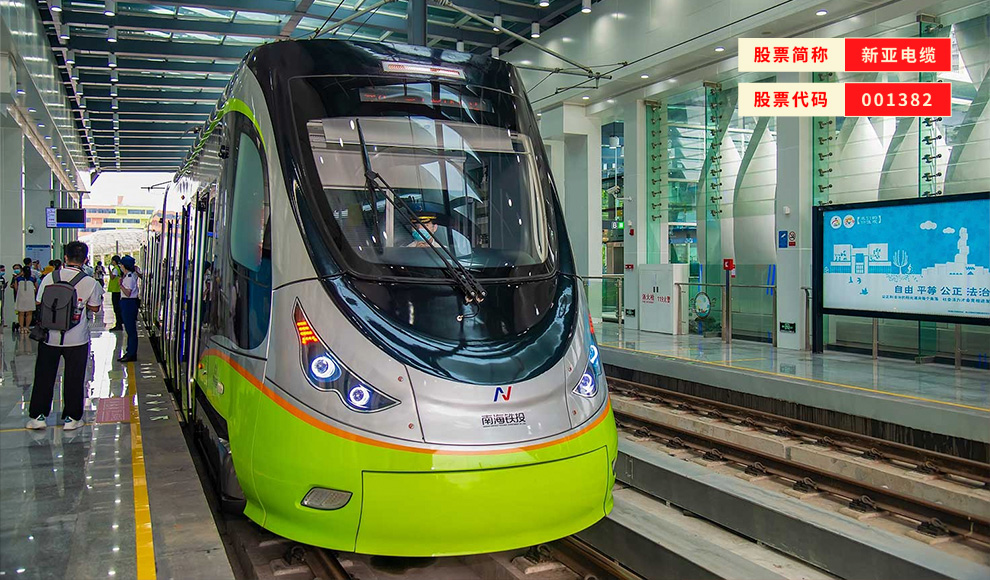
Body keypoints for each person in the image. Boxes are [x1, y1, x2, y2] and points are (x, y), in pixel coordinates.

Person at [26, 241, 103, 431]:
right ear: (85, 259)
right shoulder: (90, 282)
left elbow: (39, 301)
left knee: (44, 376)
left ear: (65, 258)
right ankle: (71, 418)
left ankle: (38, 417)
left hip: (49, 337)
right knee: (74, 377)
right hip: (77, 338)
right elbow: (95, 308)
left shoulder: (49, 277)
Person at [118, 255, 140, 363]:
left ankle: (131, 353)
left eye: (121, 265)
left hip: (129, 303)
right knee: (128, 329)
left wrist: (120, 285)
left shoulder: (130, 278)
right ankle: (129, 351)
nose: (120, 266)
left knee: (131, 330)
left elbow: (128, 293)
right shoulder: (127, 276)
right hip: (127, 303)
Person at [13, 258, 38, 334]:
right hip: (30, 298)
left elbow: (16, 288)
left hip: (21, 297)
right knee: (29, 313)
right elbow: (37, 287)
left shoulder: (18, 279)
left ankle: (21, 328)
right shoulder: (33, 278)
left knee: (21, 313)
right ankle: (27, 327)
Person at [107, 255, 123, 331]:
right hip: (118, 290)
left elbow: (112, 277)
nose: (111, 262)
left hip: (115, 290)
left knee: (116, 308)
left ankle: (118, 324)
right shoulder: (119, 268)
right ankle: (119, 323)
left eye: (112, 261)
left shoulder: (115, 269)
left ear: (114, 261)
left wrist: (109, 270)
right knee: (118, 308)